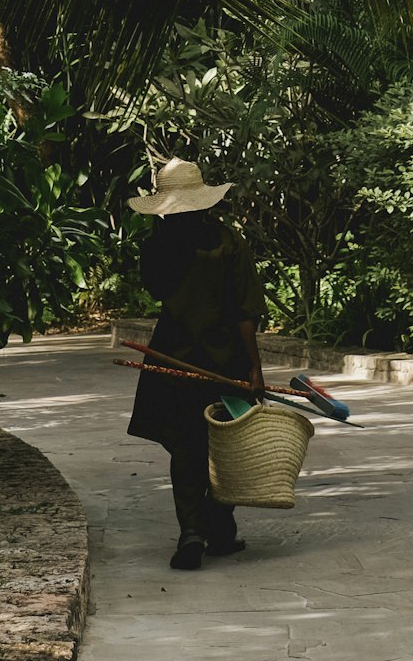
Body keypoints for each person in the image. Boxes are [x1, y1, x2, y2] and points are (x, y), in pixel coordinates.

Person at [126, 157, 265, 571]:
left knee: (186, 446)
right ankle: (218, 527)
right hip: (226, 359)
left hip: (174, 355)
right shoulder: (226, 241)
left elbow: (156, 289)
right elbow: (245, 312)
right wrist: (255, 367)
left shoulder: (157, 248)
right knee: (228, 445)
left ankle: (194, 530)